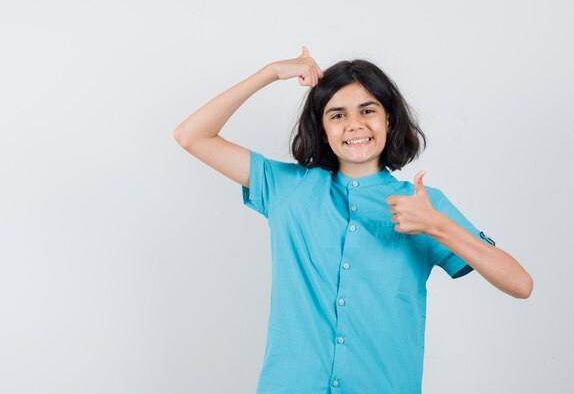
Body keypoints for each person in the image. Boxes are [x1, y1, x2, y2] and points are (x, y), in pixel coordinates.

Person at [173, 46, 533, 394]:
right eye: (338, 114)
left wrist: (437, 226)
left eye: (367, 110)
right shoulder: (287, 189)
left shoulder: (422, 204)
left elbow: (520, 284)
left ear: (388, 119)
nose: (354, 125)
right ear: (323, 128)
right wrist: (270, 73)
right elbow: (191, 136)